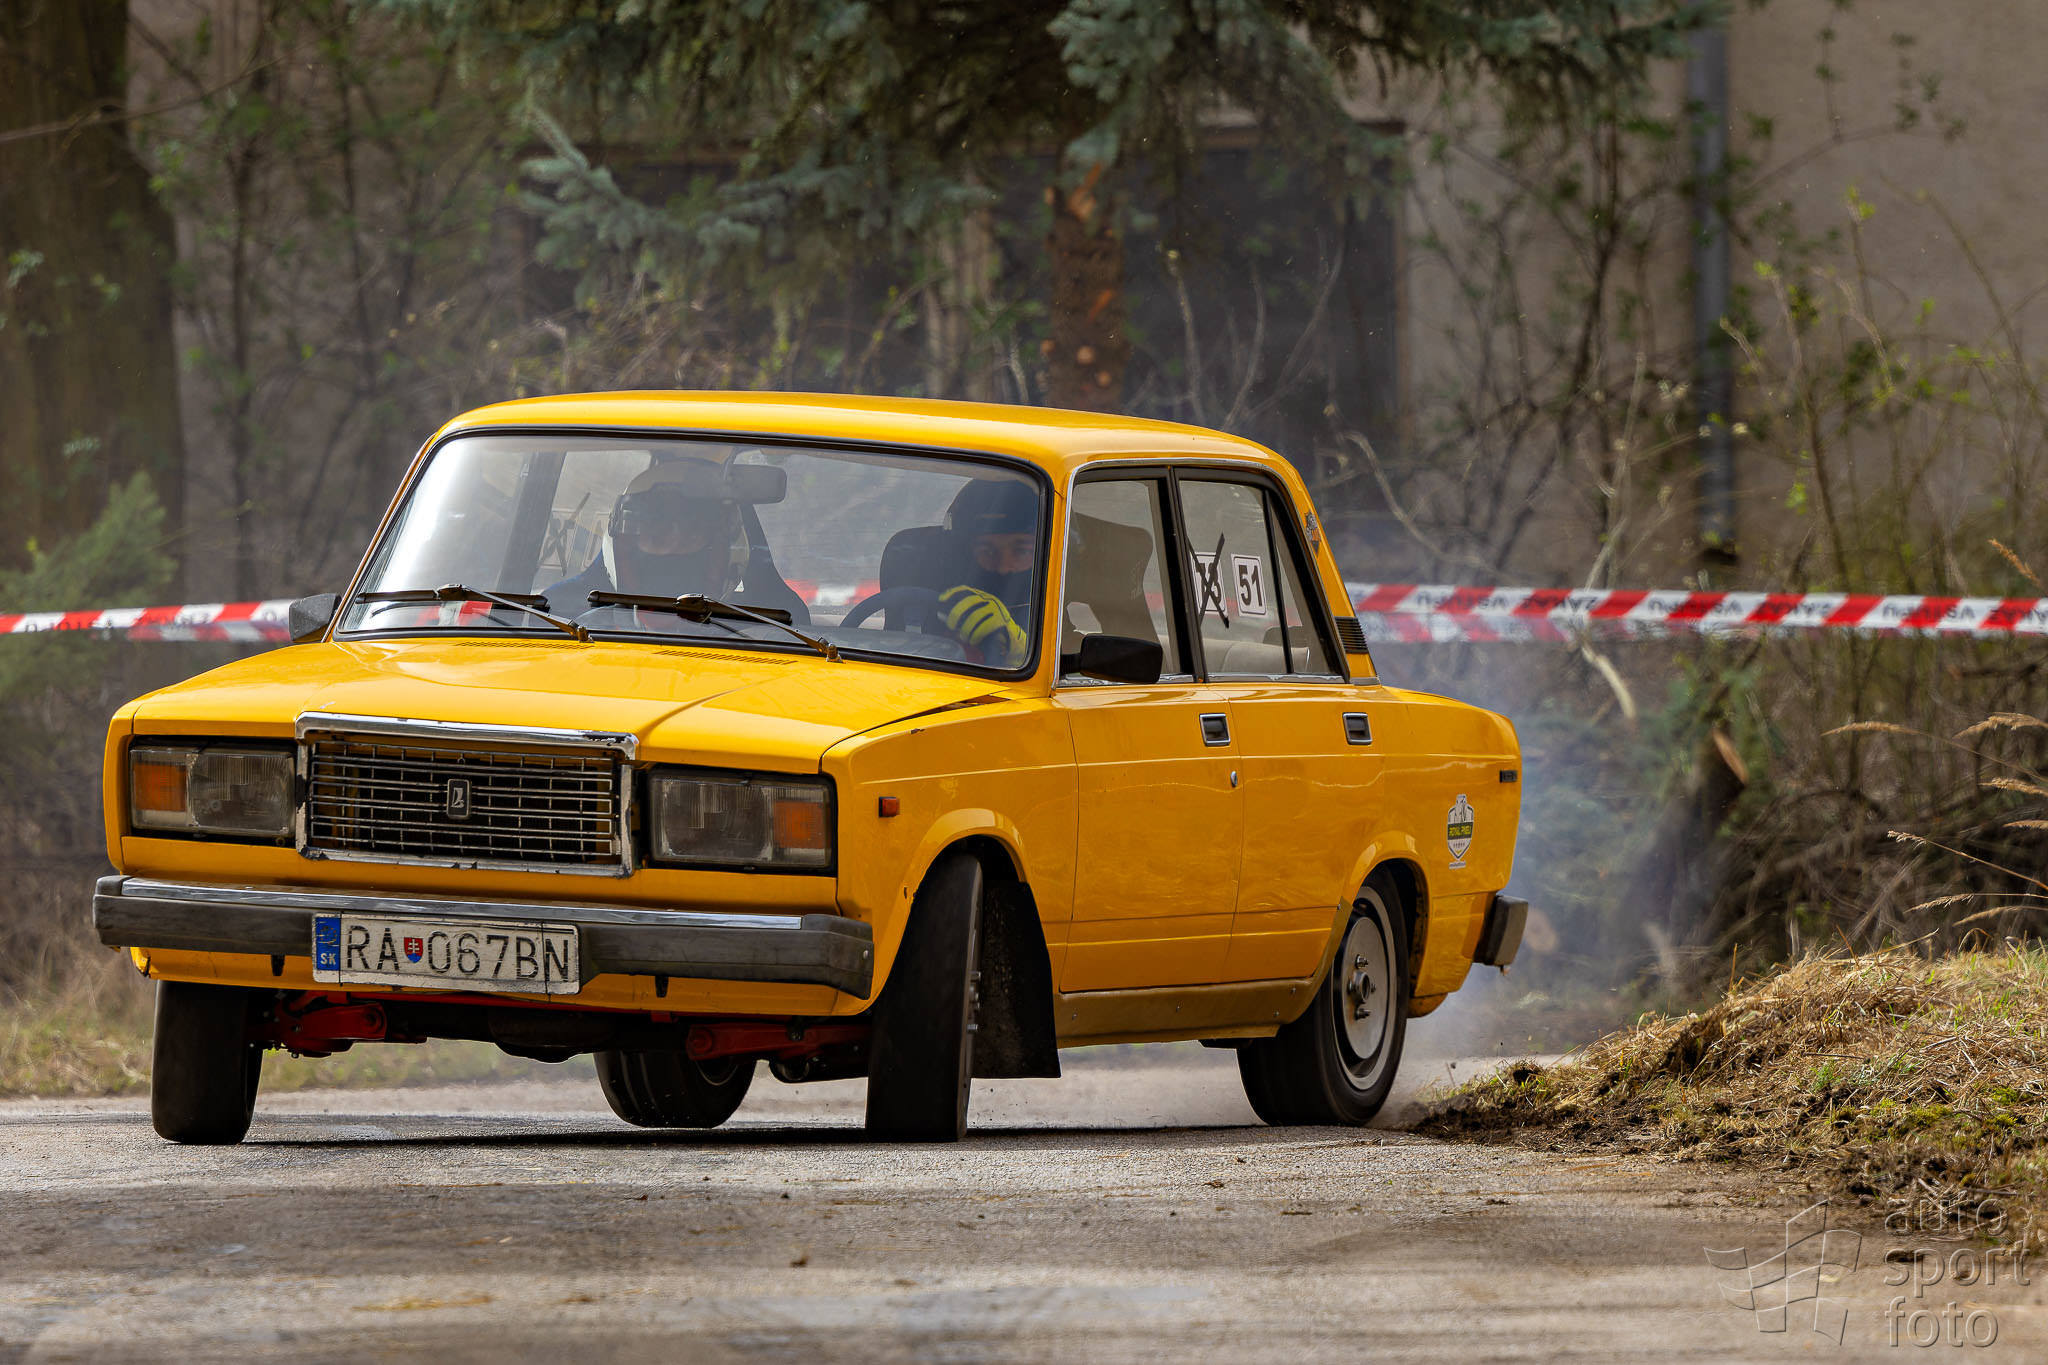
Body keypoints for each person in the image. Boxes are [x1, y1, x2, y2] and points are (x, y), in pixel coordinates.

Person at [545, 460, 806, 621]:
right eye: (656, 529)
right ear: (623, 543)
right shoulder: (556, 615)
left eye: (692, 530)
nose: (673, 543)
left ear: (726, 547)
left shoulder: (777, 628)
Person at [937, 478, 1039, 667]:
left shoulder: (1059, 612)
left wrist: (1022, 651)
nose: (1003, 567)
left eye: (1022, 551)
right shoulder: (933, 607)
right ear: (966, 554)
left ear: (1043, 551)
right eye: (987, 551)